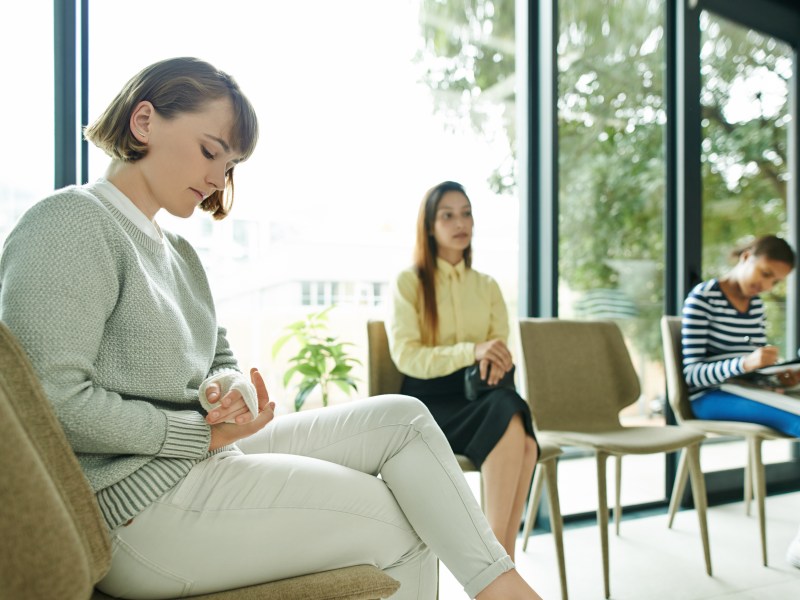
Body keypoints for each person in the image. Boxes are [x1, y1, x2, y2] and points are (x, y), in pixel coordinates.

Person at [0, 57, 544, 600]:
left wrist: (228, 390)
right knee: (406, 522)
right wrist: (199, 434)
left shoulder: (180, 254)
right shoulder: (71, 221)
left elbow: (220, 359)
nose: (218, 179)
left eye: (230, 164)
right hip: (140, 509)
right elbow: (51, 403)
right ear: (143, 122)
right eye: (210, 151)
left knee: (403, 420)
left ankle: (502, 587)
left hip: (207, 458)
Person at [387, 180, 538, 560]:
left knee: (522, 433)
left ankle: (499, 559)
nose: (460, 223)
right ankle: (501, 563)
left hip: (479, 395)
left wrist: (489, 357)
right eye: (448, 215)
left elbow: (497, 351)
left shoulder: (487, 286)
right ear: (429, 227)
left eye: (467, 213)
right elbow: (408, 357)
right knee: (513, 419)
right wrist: (472, 350)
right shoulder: (409, 283)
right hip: (428, 402)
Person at [681, 233, 800, 569]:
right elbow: (690, 375)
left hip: (743, 390)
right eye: (765, 274)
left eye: (775, 281)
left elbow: (750, 372)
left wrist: (779, 376)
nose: (767, 285)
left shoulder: (756, 306)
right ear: (747, 256)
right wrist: (744, 364)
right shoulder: (702, 298)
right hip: (707, 398)